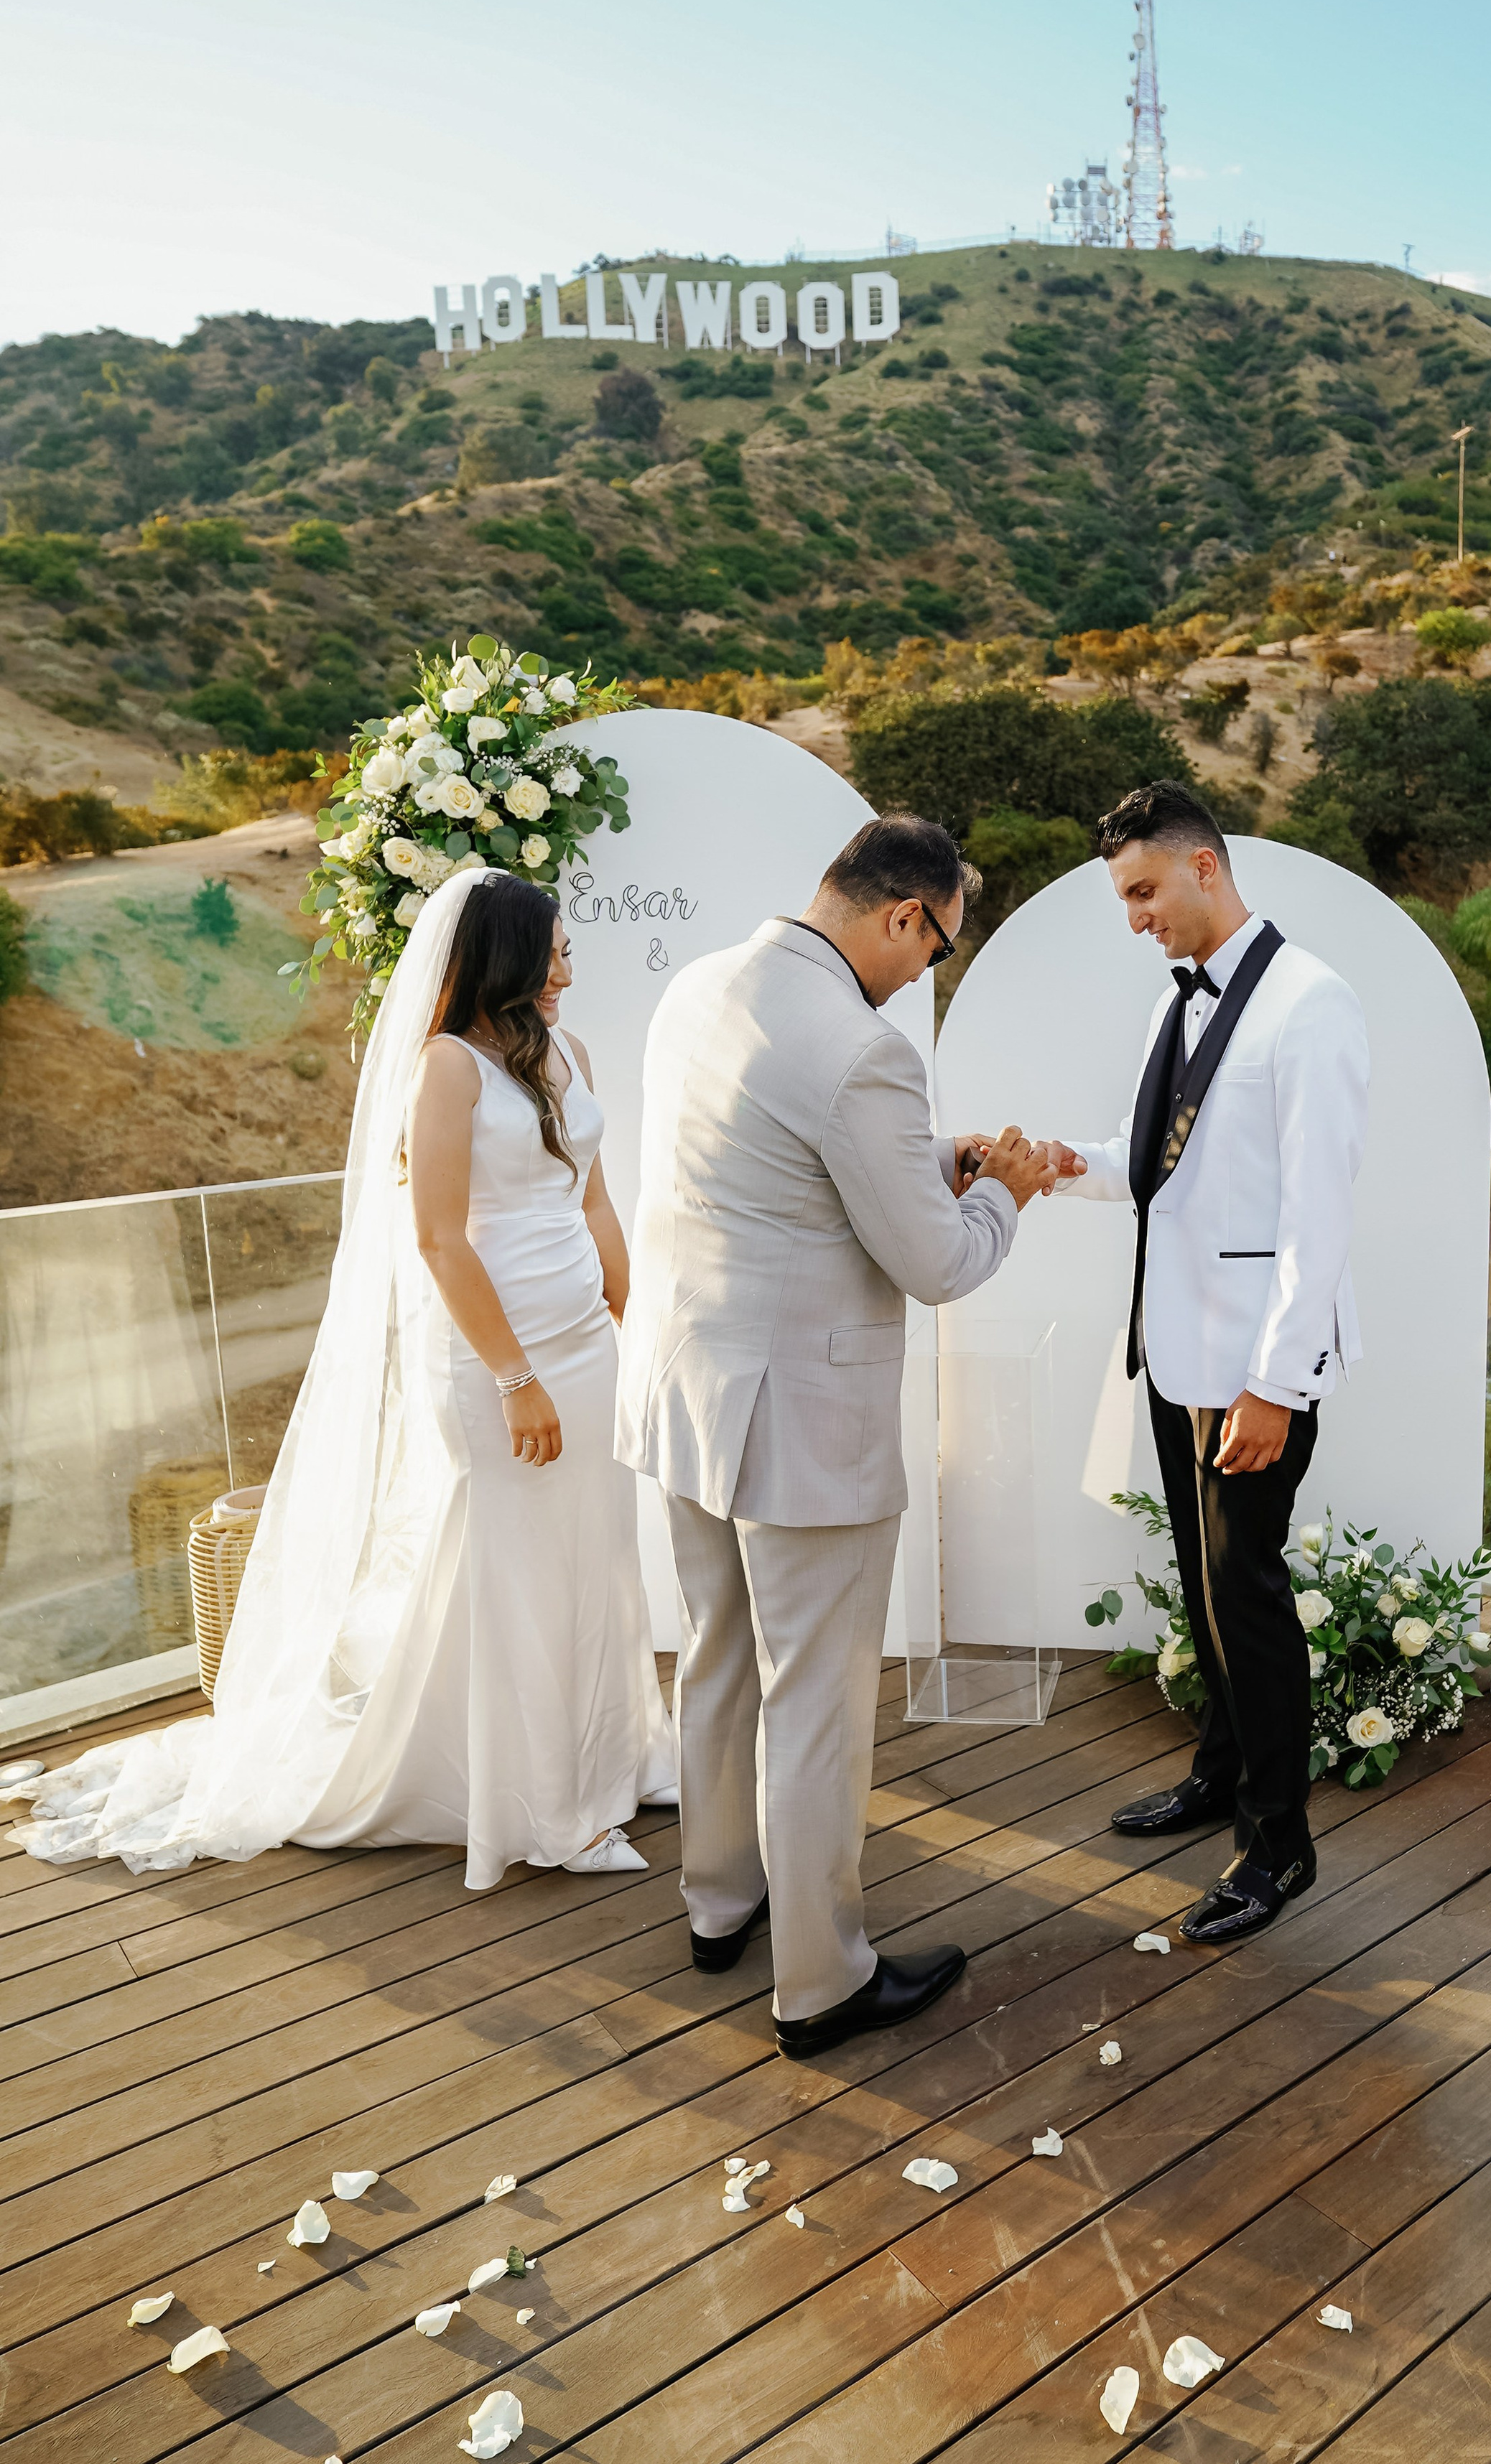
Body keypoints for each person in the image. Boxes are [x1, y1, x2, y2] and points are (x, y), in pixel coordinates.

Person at [9, 868, 674, 1885]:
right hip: (494, 1357)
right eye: (552, 956)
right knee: (518, 1573)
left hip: (585, 1342)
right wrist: (515, 1379)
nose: (567, 975)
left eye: (568, 954)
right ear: (502, 960)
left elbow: (593, 1203)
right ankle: (553, 1812)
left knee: (596, 1551)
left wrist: (633, 1320)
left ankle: (617, 1759)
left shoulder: (568, 1055)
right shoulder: (445, 1069)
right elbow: (439, 1238)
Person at [616, 812, 1063, 2057]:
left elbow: (774, 1165)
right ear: (904, 914)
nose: (924, 975)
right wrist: (1002, 1192)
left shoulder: (702, 987)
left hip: (689, 1393)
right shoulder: (865, 1048)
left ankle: (720, 1903)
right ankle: (820, 1983)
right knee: (814, 1702)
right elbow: (936, 1263)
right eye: (934, 949)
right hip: (802, 1423)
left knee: (716, 1657)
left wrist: (936, 1156)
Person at [1055, 780, 1368, 1942]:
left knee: (1249, 1599)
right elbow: (1152, 1165)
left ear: (1204, 866)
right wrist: (1054, 1165)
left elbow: (1319, 1220)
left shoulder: (1312, 1003)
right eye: (1124, 900)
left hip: (1252, 1374)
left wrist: (1274, 1387)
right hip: (1175, 1353)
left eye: (1144, 892)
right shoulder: (1173, 1005)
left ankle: (1279, 1847)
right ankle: (1219, 1771)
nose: (1136, 918)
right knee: (1203, 1587)